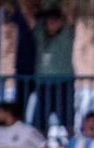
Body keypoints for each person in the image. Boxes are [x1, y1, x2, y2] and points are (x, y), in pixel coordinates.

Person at [26, 3, 76, 133]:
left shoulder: (67, 34)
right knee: (40, 123)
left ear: (61, 22)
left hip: (63, 85)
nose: (51, 23)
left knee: (68, 121)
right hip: (43, 85)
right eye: (49, 20)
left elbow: (71, 13)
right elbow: (29, 16)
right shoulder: (40, 34)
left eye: (55, 20)